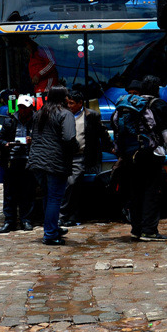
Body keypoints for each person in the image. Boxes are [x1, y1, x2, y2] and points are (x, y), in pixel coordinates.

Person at [118, 75, 167, 242]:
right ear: (157, 89)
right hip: (151, 155)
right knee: (152, 192)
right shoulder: (159, 105)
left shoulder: (129, 104)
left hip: (130, 155)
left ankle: (136, 229)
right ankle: (149, 231)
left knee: (135, 192)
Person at [26, 85, 77, 245]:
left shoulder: (40, 113)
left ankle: (52, 226)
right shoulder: (65, 114)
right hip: (55, 162)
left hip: (37, 161)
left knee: (48, 196)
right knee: (55, 198)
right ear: (63, 98)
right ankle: (50, 234)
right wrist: (76, 148)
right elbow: (69, 138)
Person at [60, 87, 114, 227]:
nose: (69, 106)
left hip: (82, 156)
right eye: (68, 103)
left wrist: (111, 147)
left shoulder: (91, 116)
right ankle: (71, 216)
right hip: (64, 156)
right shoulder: (63, 115)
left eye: (72, 103)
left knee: (72, 182)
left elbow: (103, 133)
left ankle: (63, 215)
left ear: (80, 103)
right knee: (68, 185)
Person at [0, 94, 39, 233]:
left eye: (25, 108)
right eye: (21, 107)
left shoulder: (37, 121)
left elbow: (43, 139)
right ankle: (9, 221)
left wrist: (33, 140)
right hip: (12, 161)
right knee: (9, 193)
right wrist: (6, 144)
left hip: (29, 160)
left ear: (31, 108)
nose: (23, 110)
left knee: (28, 192)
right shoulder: (9, 122)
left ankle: (26, 220)